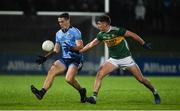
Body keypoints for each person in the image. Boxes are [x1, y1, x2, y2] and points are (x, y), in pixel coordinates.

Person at [79, 15, 161, 104]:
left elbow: (132, 35)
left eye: (99, 24)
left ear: (105, 24)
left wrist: (143, 44)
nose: (98, 26)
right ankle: (94, 97)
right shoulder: (101, 35)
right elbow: (91, 44)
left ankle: (155, 92)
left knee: (141, 79)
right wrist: (80, 51)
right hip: (114, 60)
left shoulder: (117, 30)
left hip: (126, 59)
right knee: (99, 74)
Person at [31, 13, 87, 103]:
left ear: (68, 20)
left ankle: (82, 91)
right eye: (59, 22)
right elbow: (56, 50)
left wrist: (72, 48)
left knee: (69, 79)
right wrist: (45, 57)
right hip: (65, 59)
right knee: (52, 70)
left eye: (62, 21)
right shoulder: (58, 34)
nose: (60, 23)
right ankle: (41, 92)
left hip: (76, 59)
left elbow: (81, 46)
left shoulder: (75, 31)